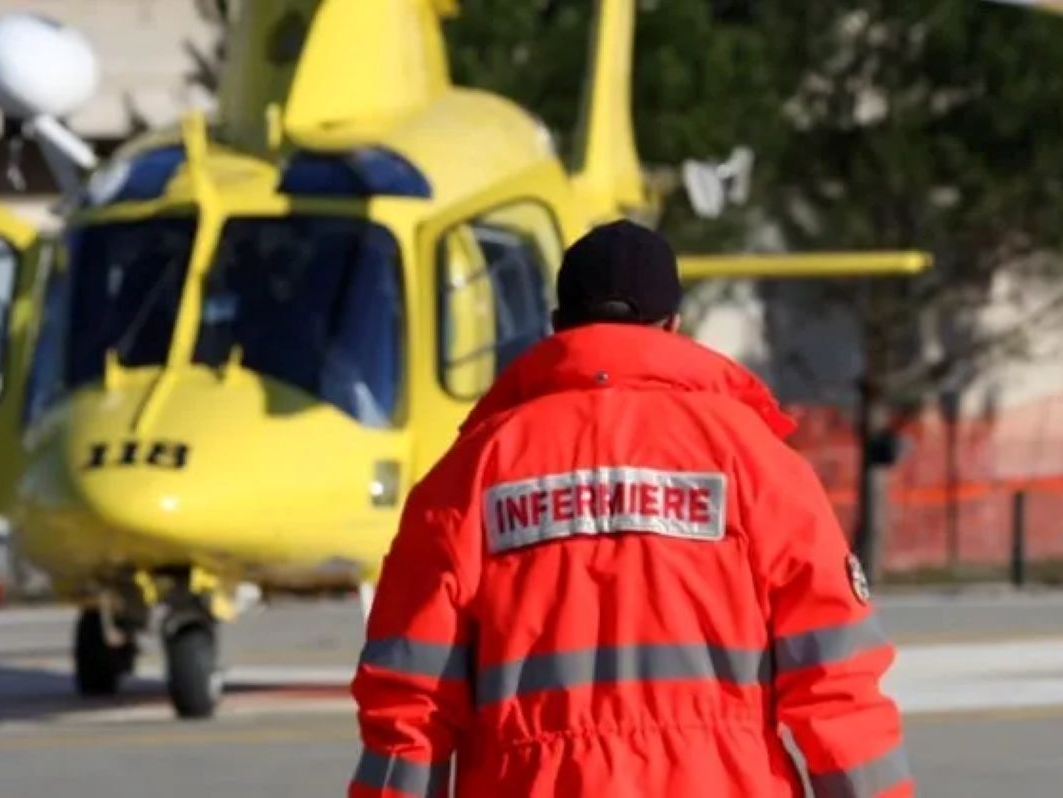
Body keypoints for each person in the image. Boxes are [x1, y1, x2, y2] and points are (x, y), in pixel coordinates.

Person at [349, 220, 911, 798]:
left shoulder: (471, 473)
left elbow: (408, 707)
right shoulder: (757, 463)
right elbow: (837, 689)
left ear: (558, 327)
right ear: (673, 327)